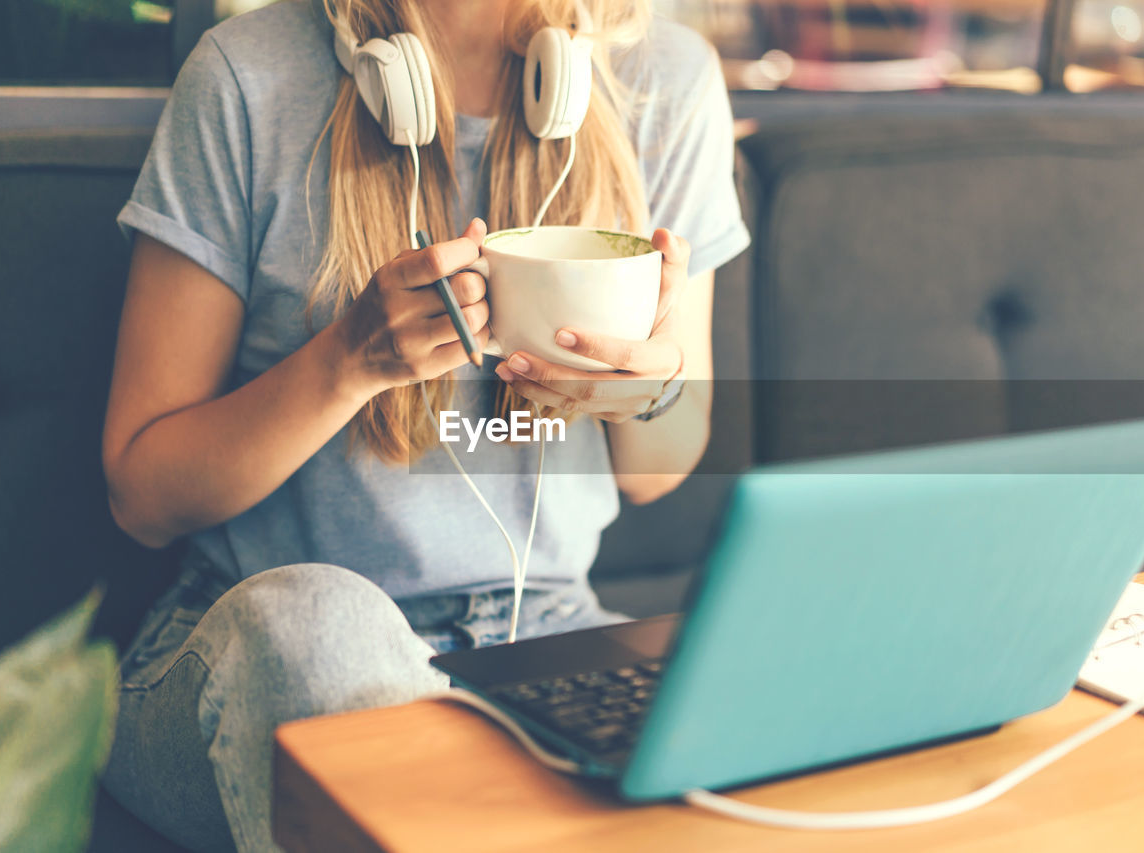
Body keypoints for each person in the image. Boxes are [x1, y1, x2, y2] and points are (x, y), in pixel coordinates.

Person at [99, 0, 749, 849]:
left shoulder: (666, 79)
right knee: (323, 625)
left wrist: (642, 391)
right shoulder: (245, 76)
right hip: (250, 655)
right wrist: (345, 364)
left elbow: (659, 464)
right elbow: (142, 493)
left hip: (542, 637)